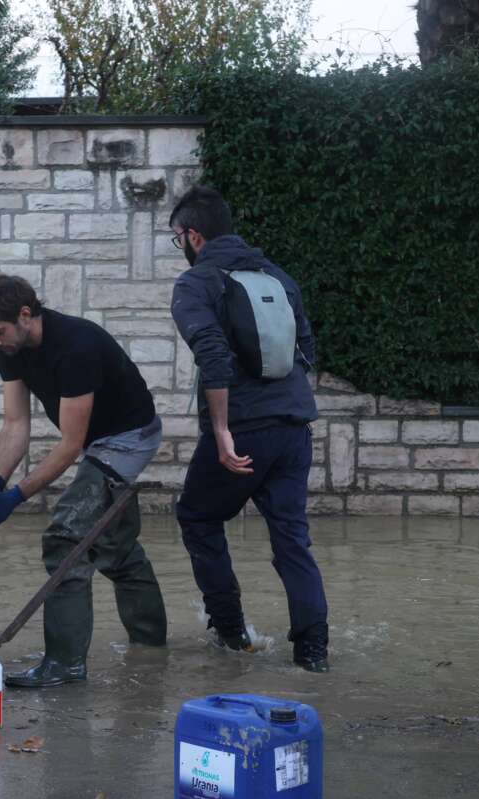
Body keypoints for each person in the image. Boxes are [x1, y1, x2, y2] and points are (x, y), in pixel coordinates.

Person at [0, 274, 168, 688]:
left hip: (128, 438)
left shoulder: (77, 346)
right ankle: (151, 648)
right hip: (96, 440)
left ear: (25, 315)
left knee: (65, 538)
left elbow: (71, 446)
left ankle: (64, 664)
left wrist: (16, 496)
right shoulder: (10, 349)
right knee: (114, 547)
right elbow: (15, 424)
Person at [169, 185, 330, 672]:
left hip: (243, 428)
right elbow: (306, 351)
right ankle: (314, 654)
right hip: (294, 427)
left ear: (193, 236)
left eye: (178, 239)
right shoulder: (278, 277)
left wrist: (221, 430)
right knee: (292, 540)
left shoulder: (197, 283)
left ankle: (232, 634)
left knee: (198, 517)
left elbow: (212, 355)